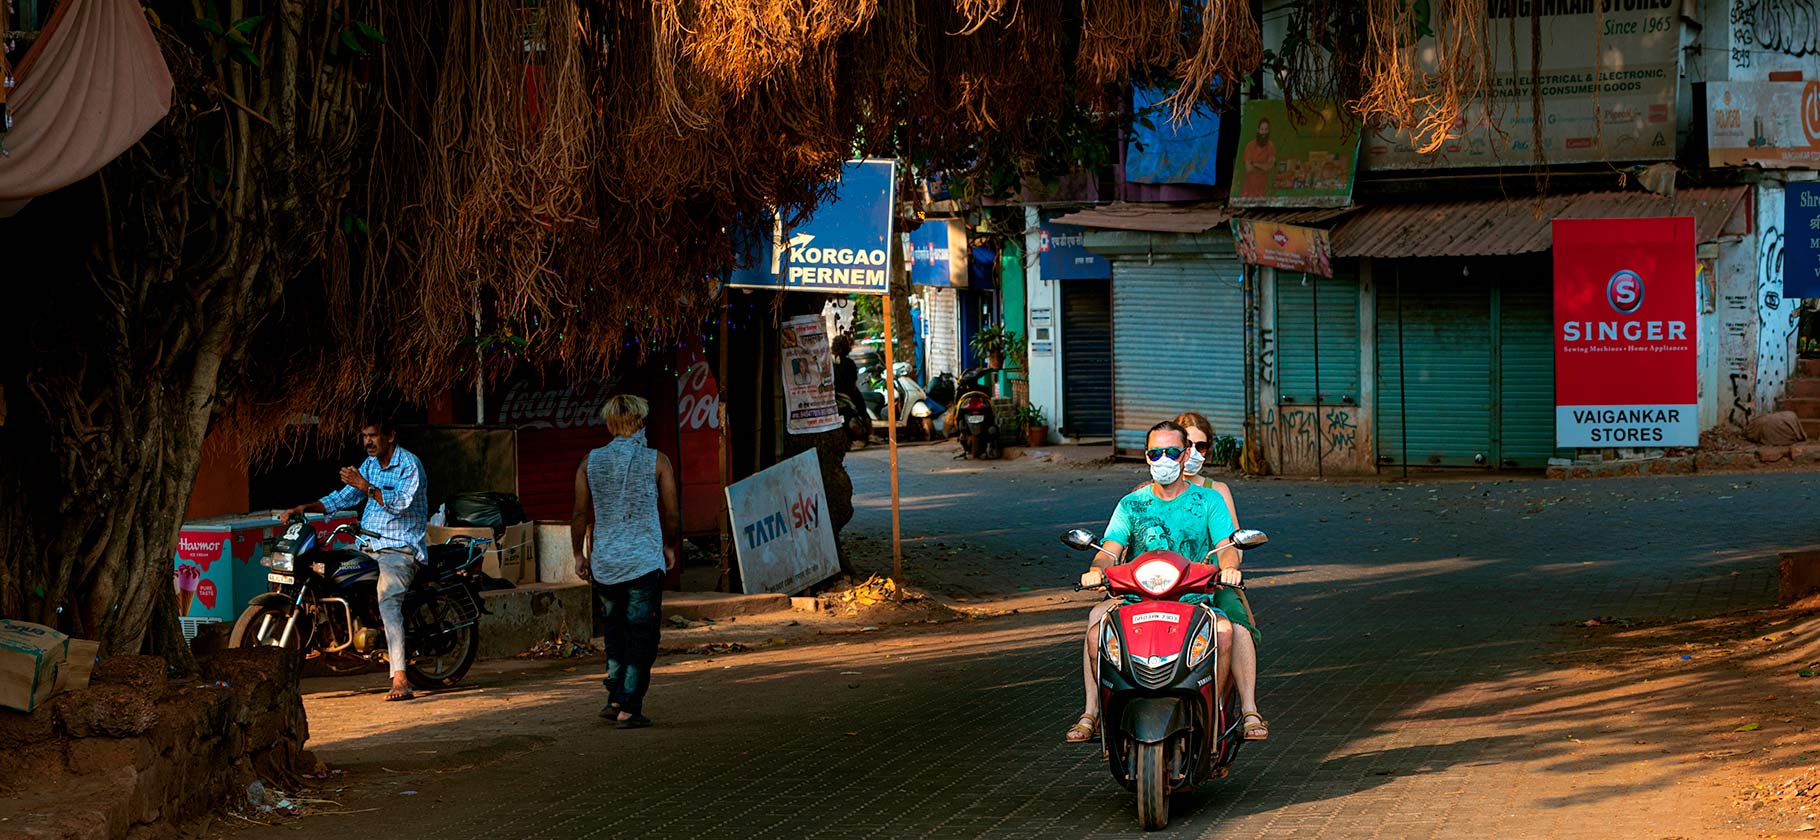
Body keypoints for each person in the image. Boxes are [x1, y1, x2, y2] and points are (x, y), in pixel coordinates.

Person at [1065, 420, 1267, 743]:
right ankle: (1102, 716)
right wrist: (1096, 568)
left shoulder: (1209, 501)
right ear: (1146, 458)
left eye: (1171, 452)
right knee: (1095, 635)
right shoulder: (1131, 504)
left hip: (1196, 599)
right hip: (1138, 600)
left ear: (1186, 455)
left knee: (1227, 631)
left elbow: (1227, 547)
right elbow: (1109, 549)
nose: (1163, 460)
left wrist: (1229, 568)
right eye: (1155, 453)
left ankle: (1212, 716)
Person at [280, 415, 427, 702]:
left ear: (390, 436)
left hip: (399, 548)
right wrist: (305, 507)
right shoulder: (370, 464)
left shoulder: (409, 465)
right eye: (364, 436)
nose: (368, 442)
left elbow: (398, 504)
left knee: (388, 599)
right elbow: (342, 498)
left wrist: (365, 486)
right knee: (324, 572)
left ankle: (400, 677)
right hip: (366, 545)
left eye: (373, 435)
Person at [571, 394, 679, 729]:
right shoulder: (657, 461)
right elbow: (672, 513)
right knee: (642, 635)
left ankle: (615, 695)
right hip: (643, 562)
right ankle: (630, 706)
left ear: (611, 424)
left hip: (605, 562)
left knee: (614, 632)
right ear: (639, 423)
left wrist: (578, 554)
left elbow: (578, 513)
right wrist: (670, 546)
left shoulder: (590, 462)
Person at [1239, 117, 1276, 199]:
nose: (1264, 132)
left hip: (1263, 189)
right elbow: (1248, 168)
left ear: (1269, 131)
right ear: (1258, 130)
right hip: (1248, 189)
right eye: (1262, 129)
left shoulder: (1270, 146)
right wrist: (1263, 167)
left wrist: (1255, 164)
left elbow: (1269, 167)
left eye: (1266, 129)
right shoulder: (1250, 146)